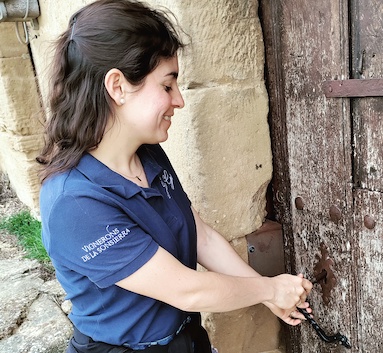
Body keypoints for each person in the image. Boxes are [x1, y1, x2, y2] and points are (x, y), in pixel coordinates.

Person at [37, 1, 313, 352]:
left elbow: (201, 237)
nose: (179, 100)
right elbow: (187, 289)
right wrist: (270, 290)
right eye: (167, 86)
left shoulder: (148, 154)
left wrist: (267, 292)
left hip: (185, 338)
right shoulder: (74, 201)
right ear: (118, 86)